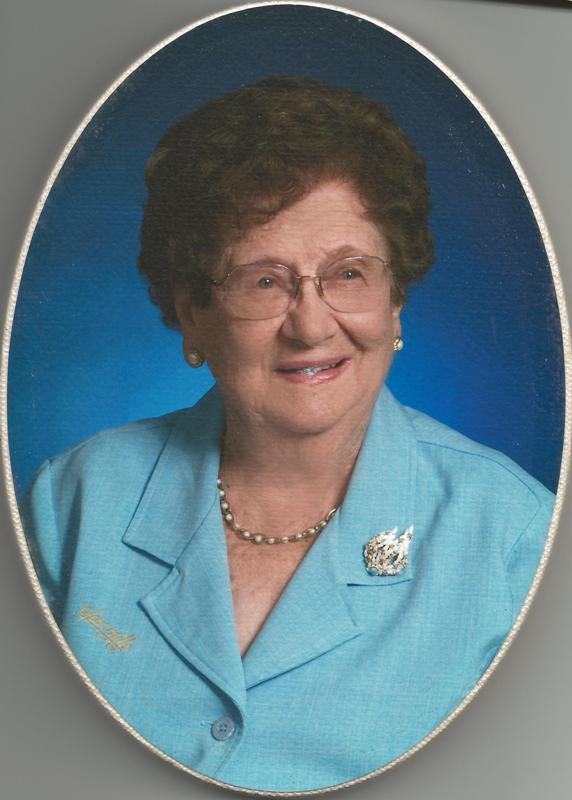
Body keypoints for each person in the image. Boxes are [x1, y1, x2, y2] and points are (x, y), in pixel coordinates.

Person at [20, 77, 554, 793]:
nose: (310, 325)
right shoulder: (74, 499)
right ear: (193, 311)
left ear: (395, 300)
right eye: (264, 281)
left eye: (348, 274)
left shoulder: (517, 539)